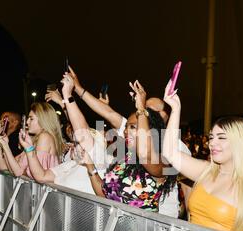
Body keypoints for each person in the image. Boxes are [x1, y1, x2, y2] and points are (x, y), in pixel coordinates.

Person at [63, 66, 189, 218]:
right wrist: (78, 88)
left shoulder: (173, 149)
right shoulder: (127, 152)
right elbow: (108, 113)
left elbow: (145, 154)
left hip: (158, 224)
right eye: (143, 106)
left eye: (150, 110)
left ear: (164, 117)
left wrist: (142, 109)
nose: (142, 109)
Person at [162, 81, 243, 231]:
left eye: (221, 138)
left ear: (239, 143)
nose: (212, 143)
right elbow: (170, 153)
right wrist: (176, 108)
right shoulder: (206, 171)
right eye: (211, 137)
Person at [0, 103, 63, 179]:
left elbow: (19, 173)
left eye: (31, 118)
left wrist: (5, 146)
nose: (27, 122)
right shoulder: (34, 141)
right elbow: (6, 168)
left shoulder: (45, 137)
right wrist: (1, 145)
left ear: (42, 119)